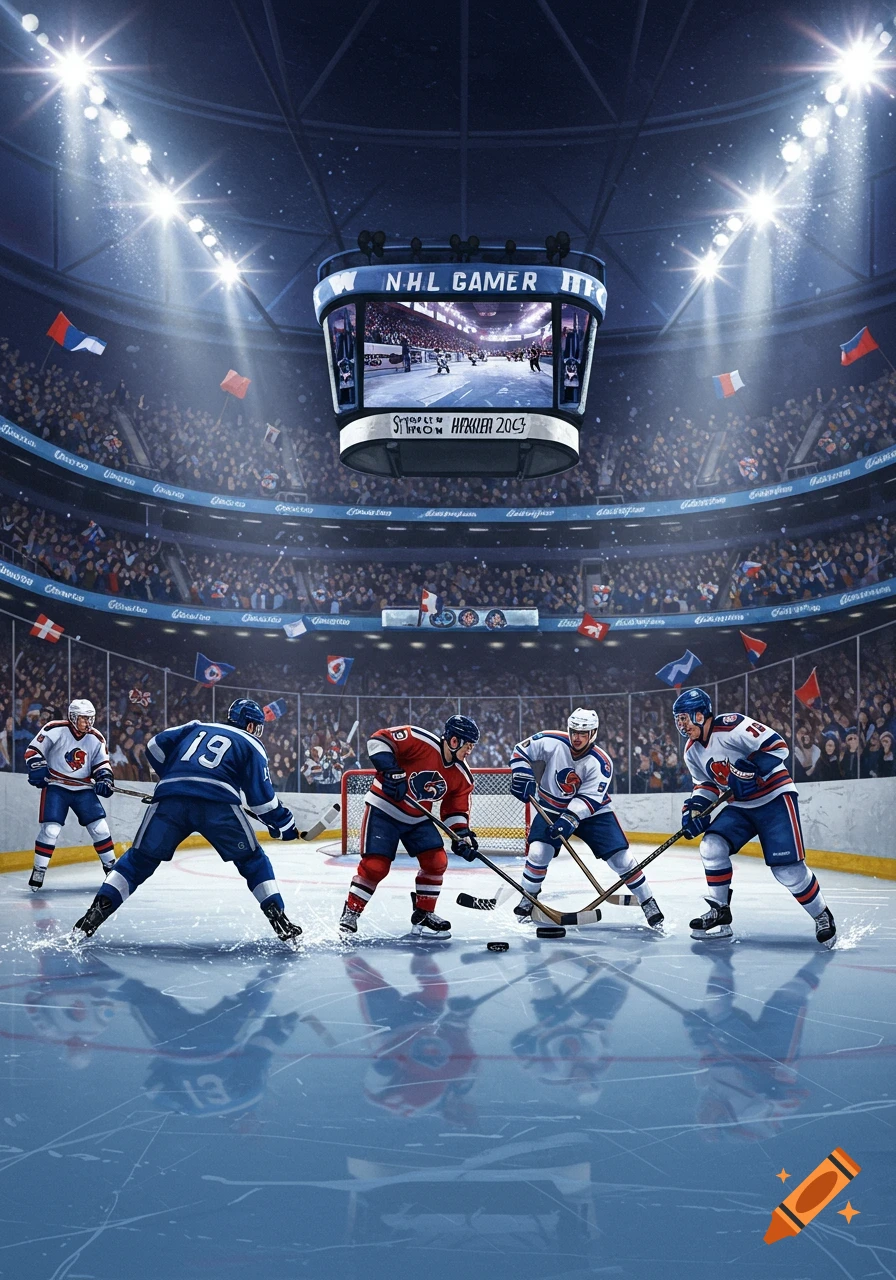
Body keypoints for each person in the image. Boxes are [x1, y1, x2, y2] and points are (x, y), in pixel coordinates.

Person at [70, 699, 302, 948]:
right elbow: (262, 801)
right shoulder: (251, 742)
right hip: (217, 804)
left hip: (170, 798)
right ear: (250, 725)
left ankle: (92, 917)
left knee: (138, 860)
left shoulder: (196, 727)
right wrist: (284, 825)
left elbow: (154, 745)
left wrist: (172, 775)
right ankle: (278, 918)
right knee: (252, 860)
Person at [673, 687, 835, 946]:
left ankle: (821, 915)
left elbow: (777, 746)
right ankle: (720, 912)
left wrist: (750, 769)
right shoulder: (691, 750)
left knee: (788, 871)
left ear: (701, 715)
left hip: (774, 797)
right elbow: (707, 785)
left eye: (685, 717)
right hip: (741, 805)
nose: (682, 725)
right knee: (711, 846)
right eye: (678, 719)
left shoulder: (732, 726)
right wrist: (695, 810)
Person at [509, 708, 664, 928]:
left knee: (621, 858)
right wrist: (521, 772)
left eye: (584, 733)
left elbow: (588, 800)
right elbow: (520, 751)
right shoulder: (551, 740)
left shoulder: (601, 762)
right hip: (551, 807)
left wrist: (568, 820)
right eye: (574, 731)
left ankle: (648, 900)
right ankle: (528, 897)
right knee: (538, 852)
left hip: (594, 813)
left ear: (593, 733)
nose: (577, 737)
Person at [338, 715, 480, 940]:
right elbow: (377, 741)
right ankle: (351, 912)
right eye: (468, 745)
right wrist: (390, 769)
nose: (470, 751)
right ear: (454, 741)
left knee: (437, 861)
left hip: (417, 818)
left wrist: (462, 835)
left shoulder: (462, 775)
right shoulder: (419, 740)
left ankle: (424, 914)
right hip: (384, 810)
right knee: (376, 866)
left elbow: (455, 811)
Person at [25, 698, 116, 890]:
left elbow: (102, 764)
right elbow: (33, 751)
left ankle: (111, 868)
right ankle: (39, 868)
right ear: (73, 717)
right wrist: (38, 767)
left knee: (101, 829)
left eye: (91, 719)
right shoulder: (54, 729)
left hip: (83, 789)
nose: (88, 723)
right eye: (84, 719)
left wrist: (104, 779)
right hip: (56, 787)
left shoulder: (96, 738)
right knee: (51, 830)